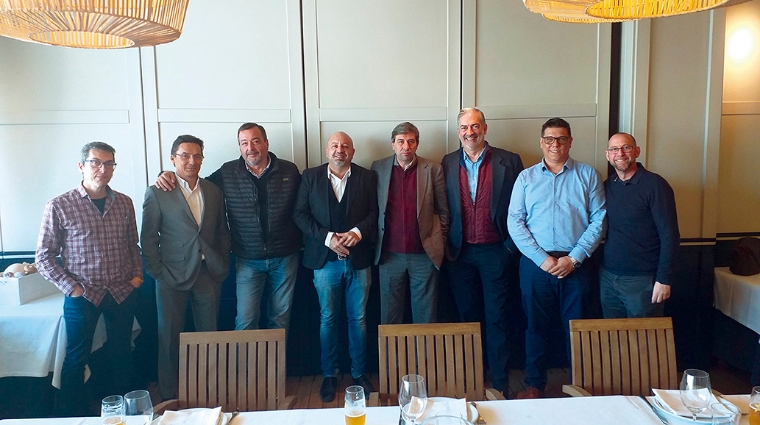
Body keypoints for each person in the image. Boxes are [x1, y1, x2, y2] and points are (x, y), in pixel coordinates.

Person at [156, 123, 301, 334]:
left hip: (285, 258)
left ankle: (275, 368)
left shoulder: (289, 170)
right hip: (247, 259)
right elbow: (195, 184)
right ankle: (246, 368)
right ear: (240, 147)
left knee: (280, 321)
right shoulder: (228, 171)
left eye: (255, 141)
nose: (250, 147)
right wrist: (167, 173)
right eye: (244, 143)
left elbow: (304, 206)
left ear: (266, 143)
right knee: (245, 321)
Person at [36, 141, 143, 416]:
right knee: (75, 358)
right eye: (96, 162)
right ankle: (73, 416)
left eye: (109, 163)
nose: (102, 169)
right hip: (83, 294)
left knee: (122, 354)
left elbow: (133, 245)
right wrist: (70, 288)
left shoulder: (124, 203)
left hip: (121, 290)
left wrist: (137, 277)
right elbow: (44, 257)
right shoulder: (59, 205)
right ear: (81, 166)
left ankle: (128, 414)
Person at [507, 117, 606, 399]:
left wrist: (573, 259)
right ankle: (534, 384)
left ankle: (581, 385)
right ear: (541, 142)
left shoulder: (588, 175)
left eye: (561, 138)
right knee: (535, 327)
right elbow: (515, 222)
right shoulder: (526, 178)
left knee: (577, 327)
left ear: (570, 142)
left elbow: (599, 221)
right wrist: (542, 259)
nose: (555, 144)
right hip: (536, 264)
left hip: (577, 265)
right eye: (550, 139)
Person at [141, 135, 231, 400]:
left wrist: (222, 262)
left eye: (197, 156)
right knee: (169, 338)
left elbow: (222, 231)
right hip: (170, 276)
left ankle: (209, 391)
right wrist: (157, 272)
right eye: (185, 155)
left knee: (209, 336)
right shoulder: (158, 191)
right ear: (173, 159)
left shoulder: (213, 191)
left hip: (208, 273)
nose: (192, 161)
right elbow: (148, 238)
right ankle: (170, 395)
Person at [441, 108, 524, 394]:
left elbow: (521, 208)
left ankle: (500, 384)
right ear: (458, 132)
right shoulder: (448, 162)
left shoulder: (509, 161)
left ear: (485, 128)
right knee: (466, 319)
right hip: (460, 254)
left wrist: (509, 249)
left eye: (475, 126)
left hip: (496, 252)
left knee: (497, 318)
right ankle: (470, 381)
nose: (469, 132)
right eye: (464, 127)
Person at [292, 131, 378, 402]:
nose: (339, 150)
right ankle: (329, 375)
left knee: (359, 319)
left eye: (345, 146)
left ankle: (358, 374)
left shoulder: (366, 176)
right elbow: (299, 214)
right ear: (327, 151)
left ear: (352, 152)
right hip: (324, 261)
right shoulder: (310, 176)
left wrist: (357, 232)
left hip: (359, 259)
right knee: (328, 319)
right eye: (334, 146)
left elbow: (375, 213)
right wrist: (328, 238)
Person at [371, 122, 449, 324]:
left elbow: (443, 211)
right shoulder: (378, 168)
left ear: (417, 144)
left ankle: (423, 357)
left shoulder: (433, 169)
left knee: (425, 317)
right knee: (389, 317)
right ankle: (391, 357)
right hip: (389, 256)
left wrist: (438, 242)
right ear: (393, 144)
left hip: (424, 256)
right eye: (401, 141)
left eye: (411, 141)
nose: (406, 146)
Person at [601, 132, 679, 318]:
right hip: (608, 277)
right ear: (608, 155)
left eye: (626, 147)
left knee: (643, 343)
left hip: (644, 281)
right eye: (614, 149)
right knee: (614, 339)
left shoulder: (655, 185)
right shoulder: (606, 186)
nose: (620, 153)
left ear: (637, 151)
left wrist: (663, 279)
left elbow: (670, 235)